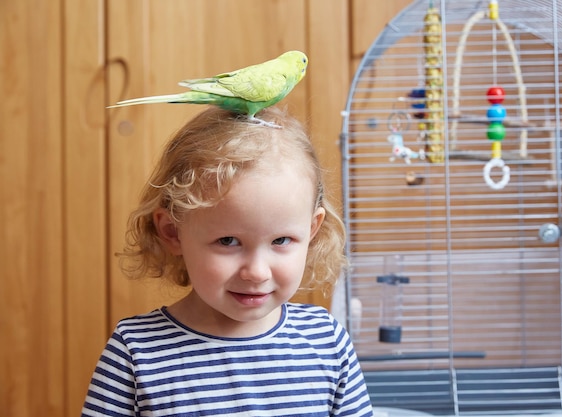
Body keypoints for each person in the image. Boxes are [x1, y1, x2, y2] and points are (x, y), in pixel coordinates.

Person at [81, 106, 374, 416]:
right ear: (173, 232)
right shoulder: (135, 353)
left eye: (281, 241)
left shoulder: (326, 342)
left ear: (312, 229)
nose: (257, 272)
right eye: (228, 241)